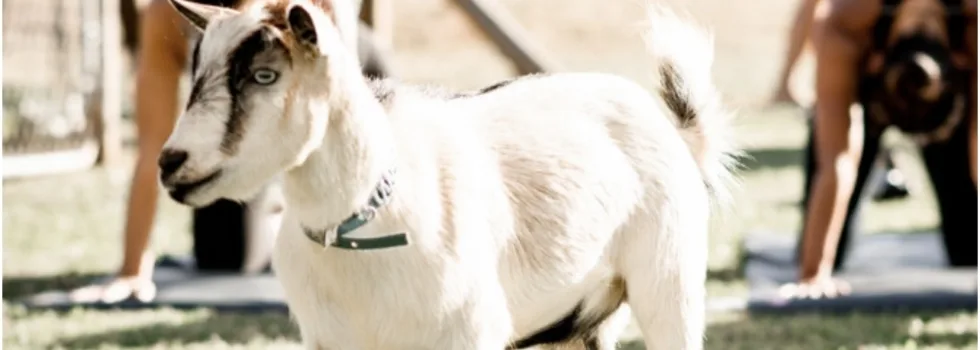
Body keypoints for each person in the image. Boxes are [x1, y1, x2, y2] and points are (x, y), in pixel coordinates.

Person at [70, 0, 390, 303]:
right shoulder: (165, 16)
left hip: (350, 89)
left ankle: (288, 214)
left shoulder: (307, 14)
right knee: (225, 254)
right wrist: (132, 270)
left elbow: (345, 113)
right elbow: (152, 146)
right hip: (247, 139)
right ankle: (275, 212)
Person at [780, 0, 977, 299]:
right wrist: (813, 273)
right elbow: (836, 160)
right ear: (876, 60)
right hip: (869, 83)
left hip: (945, 102)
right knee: (820, 248)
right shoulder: (846, 24)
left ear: (960, 60)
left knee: (970, 251)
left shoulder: (973, 24)